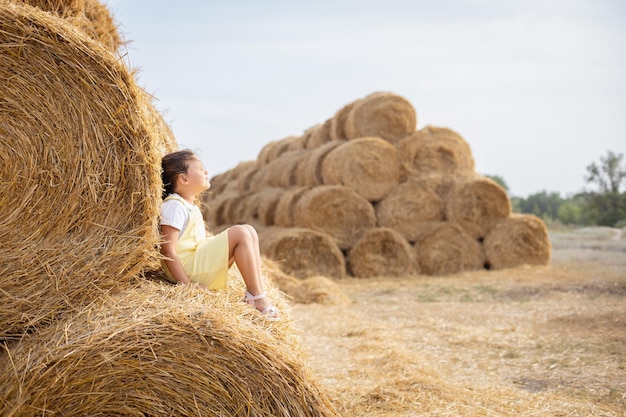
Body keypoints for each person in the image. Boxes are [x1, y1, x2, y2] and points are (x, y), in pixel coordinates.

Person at [159, 149, 279, 320]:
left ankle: (258, 294)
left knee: (249, 231)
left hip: (194, 264)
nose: (206, 171)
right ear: (183, 179)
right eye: (200, 168)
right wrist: (187, 285)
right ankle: (257, 299)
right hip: (186, 270)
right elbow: (167, 250)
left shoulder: (189, 206)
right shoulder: (174, 205)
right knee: (240, 232)